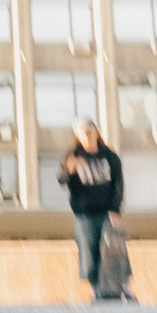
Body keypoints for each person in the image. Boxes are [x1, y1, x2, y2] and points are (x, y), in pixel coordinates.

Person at [59, 120, 125, 292]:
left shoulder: (109, 156)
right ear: (78, 136)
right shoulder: (73, 156)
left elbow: (118, 184)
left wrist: (115, 209)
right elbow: (61, 180)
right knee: (89, 251)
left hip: (107, 212)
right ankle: (95, 288)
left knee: (115, 249)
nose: (87, 134)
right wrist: (69, 172)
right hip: (84, 213)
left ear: (96, 132)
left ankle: (124, 287)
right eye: (83, 132)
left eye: (90, 130)